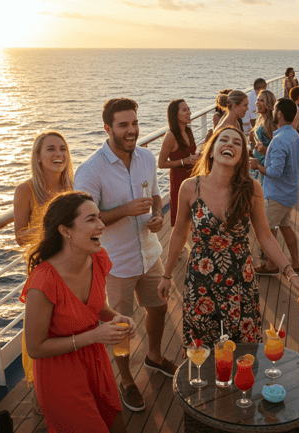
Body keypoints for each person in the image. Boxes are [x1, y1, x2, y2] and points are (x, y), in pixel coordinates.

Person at [158, 125, 299, 349]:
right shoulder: (190, 187)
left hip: (240, 281)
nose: (230, 144)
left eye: (237, 143)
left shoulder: (252, 189)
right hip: (201, 281)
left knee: (241, 349)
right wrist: (167, 275)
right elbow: (179, 233)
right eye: (224, 140)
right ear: (211, 150)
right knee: (203, 348)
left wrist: (290, 273)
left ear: (241, 157)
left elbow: (265, 236)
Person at [74, 98, 175, 412]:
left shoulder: (146, 157)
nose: (132, 130)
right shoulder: (90, 170)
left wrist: (157, 215)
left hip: (150, 253)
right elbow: (85, 222)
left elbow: (156, 196)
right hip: (115, 263)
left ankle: (154, 357)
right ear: (108, 128)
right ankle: (127, 379)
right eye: (123, 125)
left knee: (158, 309)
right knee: (120, 326)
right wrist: (125, 211)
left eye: (134, 123)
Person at [23, 191, 135, 433]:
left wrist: (116, 316)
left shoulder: (97, 259)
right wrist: (93, 336)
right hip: (60, 376)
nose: (102, 225)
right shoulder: (44, 281)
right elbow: (35, 347)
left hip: (96, 364)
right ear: (66, 231)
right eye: (92, 219)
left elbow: (95, 308)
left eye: (100, 217)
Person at [13, 130, 75, 414]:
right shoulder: (26, 190)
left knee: (71, 327)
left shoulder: (72, 187)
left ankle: (69, 385)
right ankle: (41, 392)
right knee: (41, 331)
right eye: (50, 149)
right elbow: (20, 235)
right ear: (38, 157)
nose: (57, 154)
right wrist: (54, 233)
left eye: (62, 148)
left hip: (73, 269)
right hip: (43, 271)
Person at [250, 98, 299, 276]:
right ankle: (296, 263)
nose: (273, 111)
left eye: (275, 109)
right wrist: (268, 152)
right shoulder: (295, 135)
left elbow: (274, 172)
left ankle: (272, 265)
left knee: (267, 230)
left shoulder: (280, 139)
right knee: (285, 227)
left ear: (279, 113)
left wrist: (257, 166)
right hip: (289, 192)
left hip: (276, 195)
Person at [158, 99, 199, 227]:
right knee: (182, 218)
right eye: (185, 110)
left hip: (193, 177)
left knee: (196, 214)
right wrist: (183, 161)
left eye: (189, 109)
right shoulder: (170, 136)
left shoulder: (188, 131)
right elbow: (161, 163)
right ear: (175, 114)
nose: (189, 112)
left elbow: (190, 154)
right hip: (179, 180)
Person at [251, 89, 278, 183]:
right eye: (257, 100)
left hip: (265, 163)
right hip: (257, 160)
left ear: (269, 104)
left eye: (261, 101)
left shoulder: (271, 123)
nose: (257, 103)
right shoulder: (260, 119)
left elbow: (275, 148)